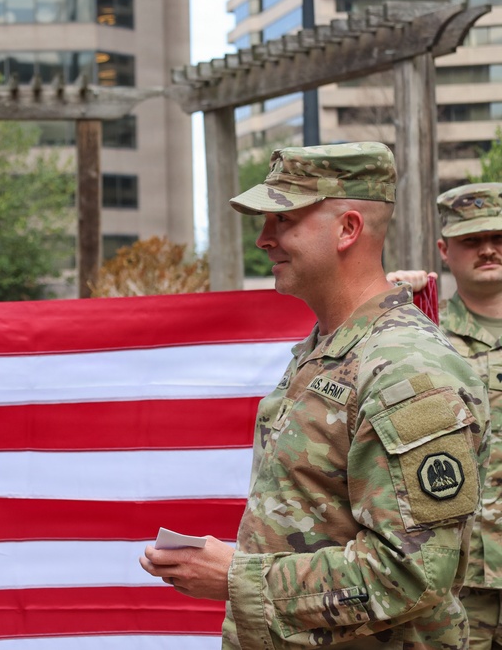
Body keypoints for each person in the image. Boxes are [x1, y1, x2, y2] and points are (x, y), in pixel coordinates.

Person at [139, 142, 491, 648]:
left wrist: (237, 577)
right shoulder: (329, 347)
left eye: (283, 220)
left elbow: (411, 573)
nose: (264, 239)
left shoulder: (408, 368)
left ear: (348, 229)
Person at [387, 182, 502, 650]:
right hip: (456, 576)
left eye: (498, 237)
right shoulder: (420, 331)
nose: (488, 249)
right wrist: (386, 301)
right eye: (472, 240)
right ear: (444, 250)